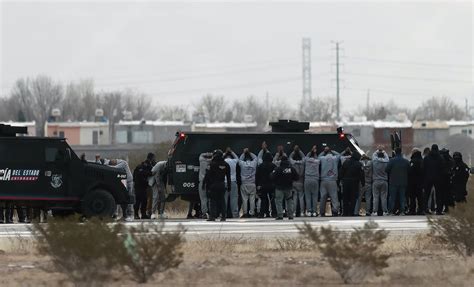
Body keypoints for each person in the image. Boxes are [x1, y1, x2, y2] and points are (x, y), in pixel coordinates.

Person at [203, 150, 231, 221]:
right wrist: (229, 186)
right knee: (222, 201)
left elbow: (207, 175)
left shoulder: (212, 164)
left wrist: (204, 184)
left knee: (212, 201)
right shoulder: (226, 165)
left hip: (213, 185)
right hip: (222, 184)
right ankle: (223, 216)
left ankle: (212, 216)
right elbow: (228, 177)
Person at [271, 155, 299, 220]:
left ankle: (280, 215)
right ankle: (290, 215)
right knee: (289, 201)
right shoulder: (291, 169)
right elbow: (297, 177)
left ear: (281, 161)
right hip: (289, 188)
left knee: (279, 201)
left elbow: (272, 177)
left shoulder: (278, 169)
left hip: (279, 188)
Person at [339, 152, 365, 216]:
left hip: (346, 182)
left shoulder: (346, 162)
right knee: (353, 198)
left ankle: (345, 212)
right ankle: (351, 212)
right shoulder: (359, 164)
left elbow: (341, 172)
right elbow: (362, 175)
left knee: (345, 198)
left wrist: (340, 180)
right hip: (354, 183)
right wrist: (363, 183)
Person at [386, 147, 410, 215]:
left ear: (395, 152)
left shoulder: (392, 161)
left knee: (392, 197)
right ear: (401, 152)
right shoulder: (406, 161)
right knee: (402, 197)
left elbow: (386, 170)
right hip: (403, 182)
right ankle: (402, 211)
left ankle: (391, 211)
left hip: (393, 182)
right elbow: (409, 171)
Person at [318, 146, 341, 217]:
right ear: (331, 153)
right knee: (334, 197)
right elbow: (339, 155)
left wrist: (324, 151)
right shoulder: (335, 158)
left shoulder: (322, 158)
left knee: (323, 197)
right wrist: (332, 150)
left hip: (323, 180)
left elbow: (319, 156)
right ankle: (335, 211)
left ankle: (322, 212)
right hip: (332, 181)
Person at [423, 144, 444, 215]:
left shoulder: (426, 158)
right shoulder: (440, 158)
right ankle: (439, 210)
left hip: (428, 178)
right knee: (439, 195)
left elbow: (423, 168)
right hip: (438, 179)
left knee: (426, 194)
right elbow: (442, 169)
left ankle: (425, 209)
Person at [133, 153, 155, 219]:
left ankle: (143, 214)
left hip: (143, 186)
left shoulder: (148, 165)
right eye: (153, 158)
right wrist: (150, 173)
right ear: (151, 158)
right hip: (139, 186)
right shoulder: (141, 166)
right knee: (138, 201)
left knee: (144, 201)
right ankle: (136, 215)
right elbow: (142, 173)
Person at [239, 148, 258, 218]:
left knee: (244, 199)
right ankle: (252, 213)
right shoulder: (253, 163)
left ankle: (245, 213)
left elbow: (240, 159)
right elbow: (256, 157)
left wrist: (244, 153)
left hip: (244, 183)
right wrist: (249, 152)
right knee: (252, 199)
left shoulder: (242, 164)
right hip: (252, 183)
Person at [256, 152, 276, 218]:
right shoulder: (273, 166)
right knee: (272, 199)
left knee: (263, 200)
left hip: (262, 185)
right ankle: (274, 213)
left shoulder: (260, 166)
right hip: (272, 185)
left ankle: (263, 213)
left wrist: (257, 185)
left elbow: (257, 176)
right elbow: (276, 176)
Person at [304, 145, 321, 217]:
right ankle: (314, 211)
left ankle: (309, 211)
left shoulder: (307, 160)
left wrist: (311, 150)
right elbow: (318, 157)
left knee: (308, 196)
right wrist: (315, 152)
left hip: (307, 179)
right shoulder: (317, 161)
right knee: (314, 197)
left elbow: (305, 156)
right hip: (315, 180)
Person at [372, 148, 389, 216]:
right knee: (383, 197)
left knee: (375, 197)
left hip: (376, 181)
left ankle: (375, 211)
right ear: (383, 156)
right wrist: (384, 151)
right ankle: (384, 211)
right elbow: (387, 157)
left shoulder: (374, 162)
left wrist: (377, 150)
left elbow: (373, 155)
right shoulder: (386, 162)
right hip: (384, 181)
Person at [289, 145, 305, 217]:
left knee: (295, 198)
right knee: (301, 198)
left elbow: (290, 157)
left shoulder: (293, 163)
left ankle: (294, 212)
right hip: (301, 182)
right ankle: (302, 212)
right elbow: (304, 157)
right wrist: (299, 151)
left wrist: (294, 151)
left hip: (294, 182)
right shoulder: (302, 163)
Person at [407, 149, 424, 215]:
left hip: (412, 182)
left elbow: (410, 171)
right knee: (420, 197)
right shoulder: (422, 161)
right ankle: (421, 210)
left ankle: (412, 210)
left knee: (412, 197)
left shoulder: (413, 161)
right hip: (420, 182)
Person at [224, 148, 240, 218]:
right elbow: (237, 158)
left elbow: (219, 158)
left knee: (224, 199)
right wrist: (232, 151)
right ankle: (235, 214)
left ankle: (223, 213)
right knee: (234, 199)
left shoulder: (223, 161)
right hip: (233, 181)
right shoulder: (234, 161)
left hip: (224, 181)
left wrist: (225, 152)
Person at [440, 148, 455, 213]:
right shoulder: (451, 160)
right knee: (449, 195)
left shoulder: (442, 160)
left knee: (444, 195)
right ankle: (449, 208)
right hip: (449, 180)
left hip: (443, 180)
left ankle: (446, 207)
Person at [199, 152, 213, 219]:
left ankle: (204, 213)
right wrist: (211, 154)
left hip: (202, 182)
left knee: (203, 199)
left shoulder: (202, 161)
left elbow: (201, 155)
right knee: (210, 198)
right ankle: (211, 212)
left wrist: (206, 154)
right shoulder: (212, 163)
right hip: (210, 182)